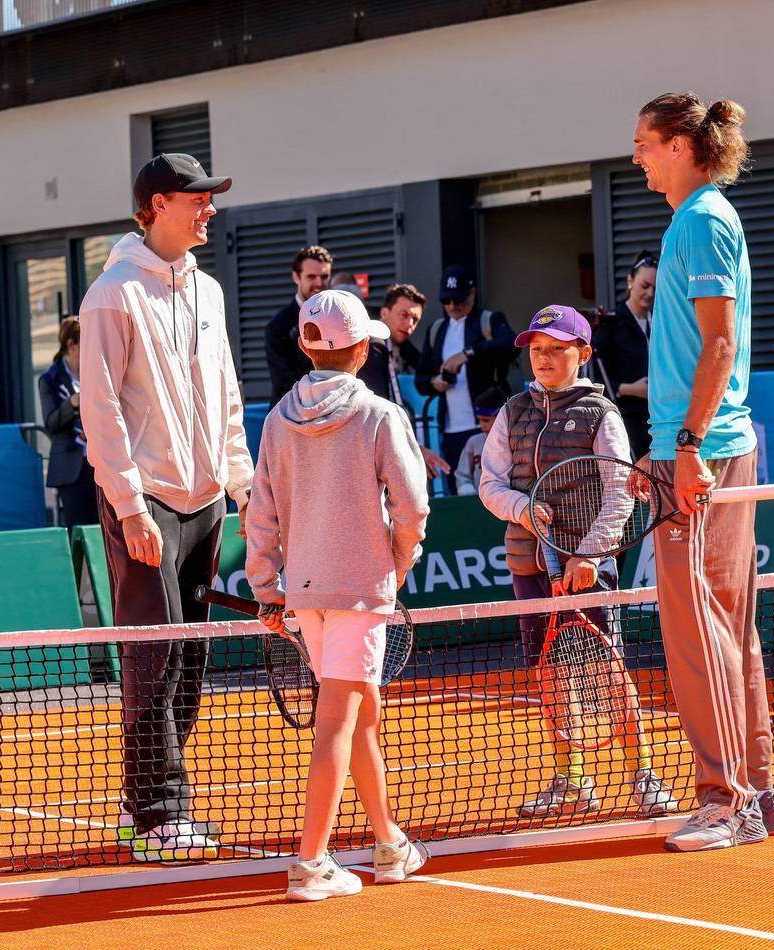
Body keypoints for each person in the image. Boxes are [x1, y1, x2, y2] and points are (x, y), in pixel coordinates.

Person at [79, 152, 254, 862]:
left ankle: (139, 802)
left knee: (190, 658)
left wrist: (241, 484)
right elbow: (101, 409)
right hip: (145, 502)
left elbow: (227, 392)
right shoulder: (111, 295)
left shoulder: (208, 291)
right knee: (154, 661)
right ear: (157, 205)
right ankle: (158, 815)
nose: (209, 208)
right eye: (197, 198)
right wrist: (128, 504)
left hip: (207, 499)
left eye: (211, 198)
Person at [631, 92, 774, 852]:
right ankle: (757, 791)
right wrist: (664, 445)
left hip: (703, 448)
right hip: (692, 444)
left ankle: (726, 800)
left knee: (698, 632)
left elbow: (719, 345)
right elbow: (695, 352)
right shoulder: (699, 218)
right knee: (725, 626)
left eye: (645, 144)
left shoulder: (699, 220)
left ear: (681, 147)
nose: (636, 157)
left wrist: (685, 445)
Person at [245, 289, 430, 902]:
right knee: (337, 721)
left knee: (362, 718)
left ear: (304, 345)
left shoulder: (274, 420)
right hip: (357, 590)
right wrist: (398, 565)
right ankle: (311, 862)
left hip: (305, 594)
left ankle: (386, 844)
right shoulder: (380, 415)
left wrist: (268, 588)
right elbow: (412, 507)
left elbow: (260, 516)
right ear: (361, 349)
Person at [479, 305, 677, 819]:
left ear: (583, 354)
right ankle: (572, 778)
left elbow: (618, 493)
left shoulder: (601, 413)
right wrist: (523, 509)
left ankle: (643, 776)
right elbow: (490, 485)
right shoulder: (512, 411)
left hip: (586, 566)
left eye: (556, 348)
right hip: (528, 562)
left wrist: (589, 554)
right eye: (536, 349)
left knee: (608, 671)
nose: (543, 358)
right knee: (549, 675)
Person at [415, 265, 516, 490]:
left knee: (495, 485)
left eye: (458, 300)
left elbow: (511, 344)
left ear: (472, 293)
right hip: (452, 428)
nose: (453, 306)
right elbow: (421, 378)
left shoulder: (488, 320)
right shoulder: (437, 330)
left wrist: (469, 353)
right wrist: (435, 383)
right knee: (459, 487)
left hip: (488, 423)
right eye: (447, 301)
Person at [358, 283, 450, 483]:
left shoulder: (391, 345)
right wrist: (414, 448)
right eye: (403, 315)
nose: (409, 324)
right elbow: (378, 411)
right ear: (384, 313)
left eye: (415, 319)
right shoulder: (375, 347)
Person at [593, 251, 658, 460]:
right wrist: (630, 389)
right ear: (630, 281)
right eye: (645, 286)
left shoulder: (659, 322)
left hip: (658, 417)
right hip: (625, 416)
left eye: (656, 288)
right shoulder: (610, 323)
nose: (650, 293)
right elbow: (594, 374)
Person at [38, 316, 99, 527]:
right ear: (72, 345)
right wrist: (71, 404)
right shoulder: (49, 379)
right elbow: (51, 424)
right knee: (77, 531)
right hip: (71, 468)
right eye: (87, 342)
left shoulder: (96, 371)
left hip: (100, 464)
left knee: (104, 532)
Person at [265, 246, 333, 405]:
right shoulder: (278, 327)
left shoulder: (337, 317)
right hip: (293, 416)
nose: (318, 283)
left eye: (324, 276)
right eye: (311, 277)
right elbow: (286, 384)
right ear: (296, 277)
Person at [453, 386, 507, 496]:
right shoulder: (473, 442)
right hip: (478, 503)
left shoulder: (517, 442)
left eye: (486, 420)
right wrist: (466, 488)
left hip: (509, 505)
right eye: (479, 420)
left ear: (502, 417)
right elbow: (462, 475)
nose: (482, 425)